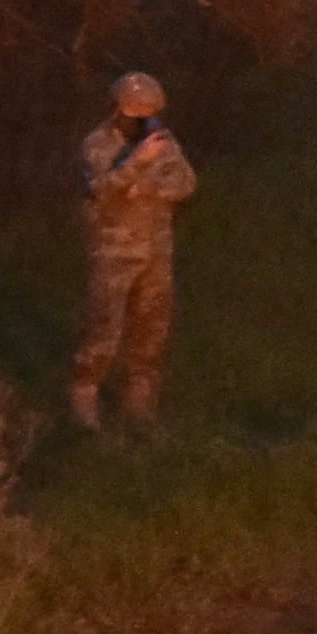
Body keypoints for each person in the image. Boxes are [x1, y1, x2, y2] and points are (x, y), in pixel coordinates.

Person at [67, 70, 194, 430]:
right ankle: (84, 396)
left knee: (151, 331)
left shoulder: (162, 141)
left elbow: (184, 182)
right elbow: (100, 189)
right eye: (135, 109)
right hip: (113, 253)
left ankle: (139, 407)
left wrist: (146, 190)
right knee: (103, 331)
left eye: (149, 109)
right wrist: (136, 163)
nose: (142, 116)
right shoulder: (98, 145)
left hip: (155, 251)